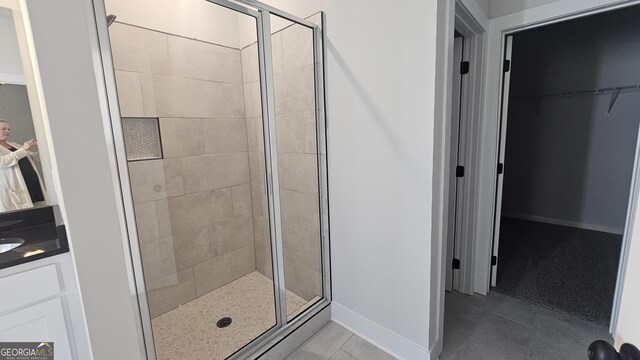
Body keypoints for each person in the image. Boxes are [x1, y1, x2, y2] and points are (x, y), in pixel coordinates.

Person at [0, 118, 46, 212]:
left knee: (40, 213)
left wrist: (41, 147)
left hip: (32, 185)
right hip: (17, 189)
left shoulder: (14, 144)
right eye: (4, 129)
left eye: (9, 129)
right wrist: (23, 149)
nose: (7, 131)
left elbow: (33, 158)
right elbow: (2, 162)